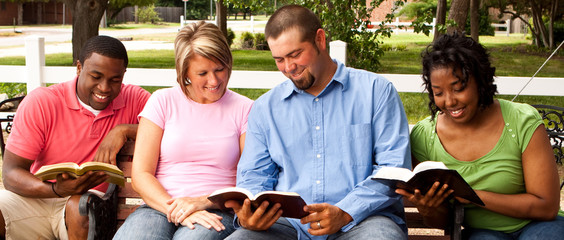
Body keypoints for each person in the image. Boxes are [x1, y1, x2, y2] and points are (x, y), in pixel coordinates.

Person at [225, 5, 411, 240]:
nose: (289, 68)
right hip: (288, 225)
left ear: (320, 39)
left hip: (363, 221)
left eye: (295, 55)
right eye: (279, 59)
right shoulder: (265, 108)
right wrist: (249, 214)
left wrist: (345, 212)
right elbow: (254, 176)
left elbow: (392, 171)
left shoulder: (376, 92)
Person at [400, 32, 564, 239]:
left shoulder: (521, 121)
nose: (449, 102)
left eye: (458, 88)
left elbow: (546, 207)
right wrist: (429, 209)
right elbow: (444, 222)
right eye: (438, 93)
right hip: (482, 233)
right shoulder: (425, 137)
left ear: (481, 81)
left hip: (539, 226)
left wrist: (473, 196)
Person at [112, 21, 253, 240]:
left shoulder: (245, 109)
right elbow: (141, 175)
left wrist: (200, 203)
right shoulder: (162, 101)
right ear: (184, 71)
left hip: (216, 210)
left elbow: (249, 181)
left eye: (220, 69)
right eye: (202, 73)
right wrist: (179, 211)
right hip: (158, 207)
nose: (214, 80)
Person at [0, 35, 151, 240]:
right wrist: (55, 189)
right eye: (96, 76)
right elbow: (10, 173)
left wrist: (124, 130)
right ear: (79, 68)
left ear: (124, 74)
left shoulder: (135, 99)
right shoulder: (43, 101)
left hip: (90, 204)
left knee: (78, 206)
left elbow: (175, 129)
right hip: (38, 196)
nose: (105, 88)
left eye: (115, 80)